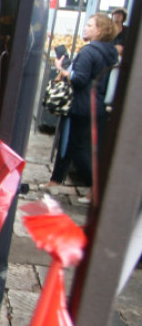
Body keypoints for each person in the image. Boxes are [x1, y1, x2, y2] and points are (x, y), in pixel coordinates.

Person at [46, 13, 120, 193]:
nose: (85, 28)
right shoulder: (110, 52)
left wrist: (62, 70)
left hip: (81, 105)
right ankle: (56, 180)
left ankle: (95, 187)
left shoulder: (88, 51)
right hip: (98, 105)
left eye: (90, 25)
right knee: (79, 146)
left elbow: (79, 79)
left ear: (100, 31)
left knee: (75, 147)